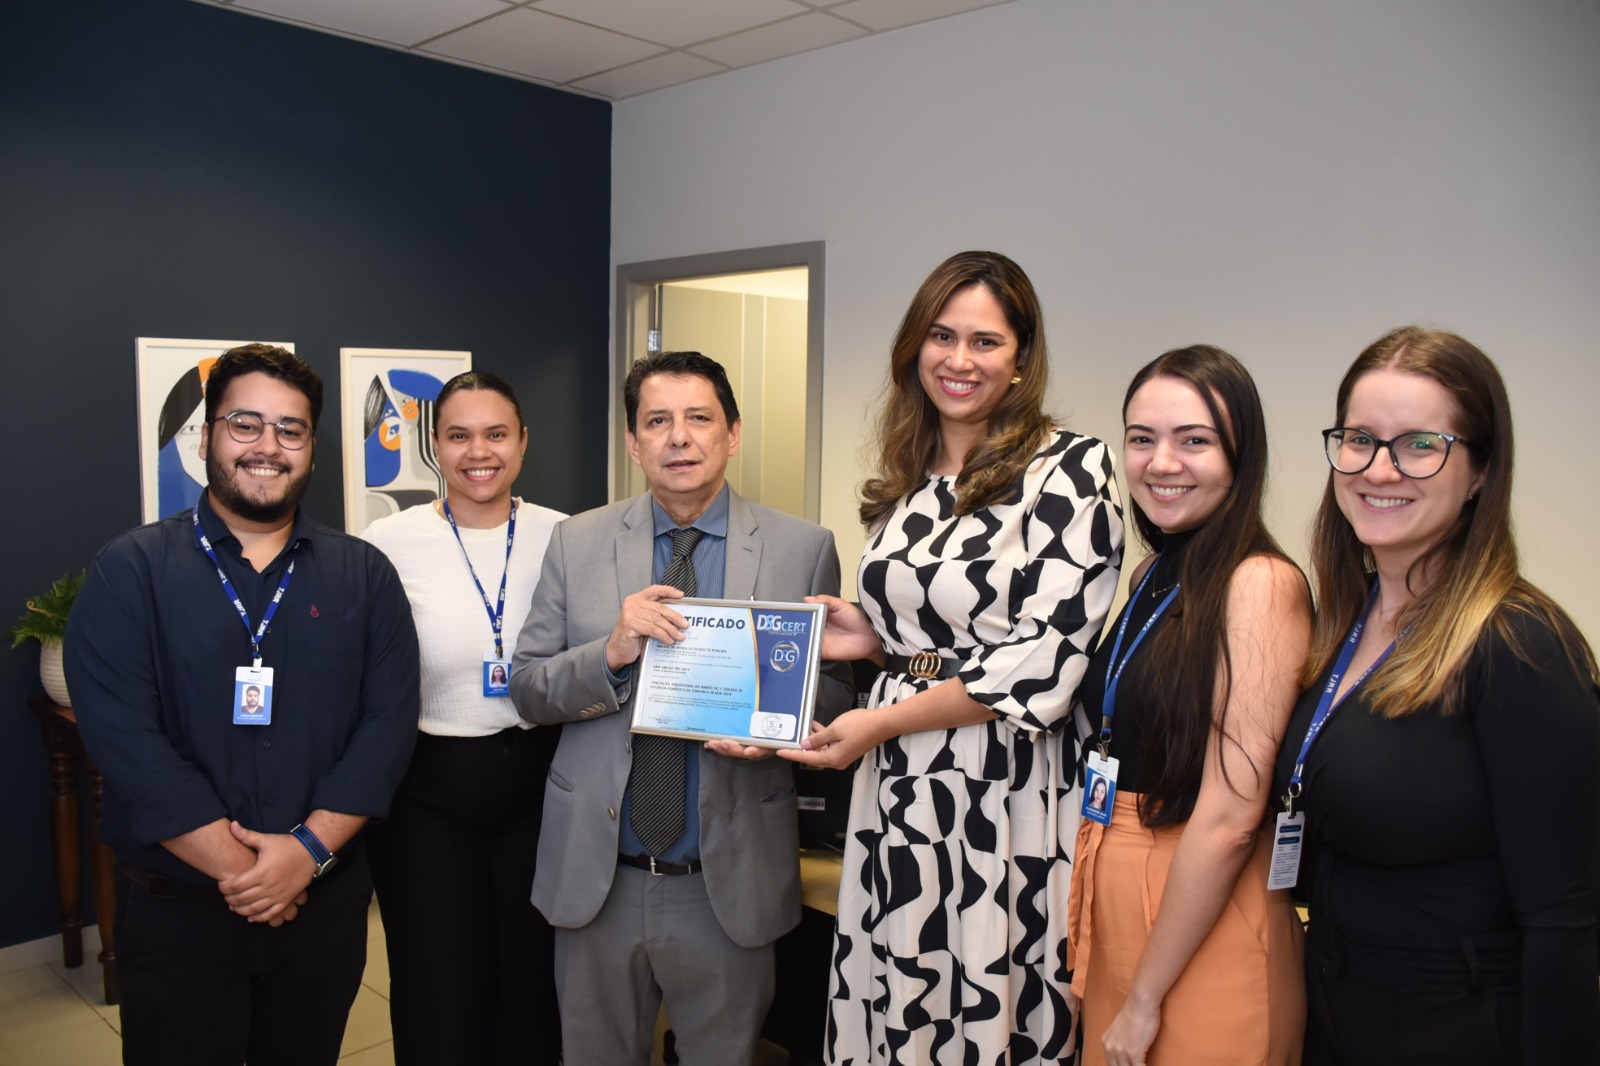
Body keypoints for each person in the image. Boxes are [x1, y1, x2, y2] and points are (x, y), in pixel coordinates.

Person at [778, 251, 1124, 1064]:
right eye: (941, 335)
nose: (959, 361)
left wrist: (885, 717)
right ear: (914, 347)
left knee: (988, 988)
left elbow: (1044, 656)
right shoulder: (906, 478)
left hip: (1002, 782)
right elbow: (942, 631)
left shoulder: (1072, 468)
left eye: (985, 341)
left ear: (1022, 359)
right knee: (900, 985)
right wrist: (875, 638)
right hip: (900, 780)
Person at [64, 343, 420, 1065]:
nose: (268, 447)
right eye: (245, 424)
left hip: (321, 909)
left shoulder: (364, 576)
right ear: (206, 438)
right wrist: (253, 873)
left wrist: (306, 853)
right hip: (176, 915)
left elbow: (386, 726)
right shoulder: (129, 572)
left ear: (311, 450)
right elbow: (126, 741)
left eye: (290, 430)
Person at [509, 350, 854, 1066]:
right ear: (633, 443)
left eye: (699, 418)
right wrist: (610, 650)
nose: (679, 437)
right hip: (599, 879)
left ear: (732, 433)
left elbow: (835, 697)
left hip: (725, 885)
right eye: (657, 421)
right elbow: (530, 689)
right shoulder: (578, 542)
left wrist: (779, 731)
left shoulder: (801, 548)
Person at [1270, 326, 1600, 1064]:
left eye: (1420, 444)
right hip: (1336, 1012)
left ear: (1480, 471)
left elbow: (1565, 924)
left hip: (1457, 1028)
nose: (1378, 470)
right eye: (1359, 439)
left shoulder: (1519, 646)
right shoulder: (1343, 628)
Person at [1065, 346, 1309, 1066]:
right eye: (1142, 438)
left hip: (1200, 904)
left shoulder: (1260, 582)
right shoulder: (1153, 571)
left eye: (1193, 441)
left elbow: (1233, 817)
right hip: (1119, 876)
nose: (1160, 462)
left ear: (1241, 455)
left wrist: (1145, 999)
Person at [359, 371, 566, 1066]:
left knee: (532, 981)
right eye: (458, 435)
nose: (479, 451)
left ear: (523, 442)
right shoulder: (386, 542)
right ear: (435, 447)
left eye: (496, 433)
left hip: (542, 786)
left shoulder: (567, 537)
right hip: (427, 795)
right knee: (437, 983)